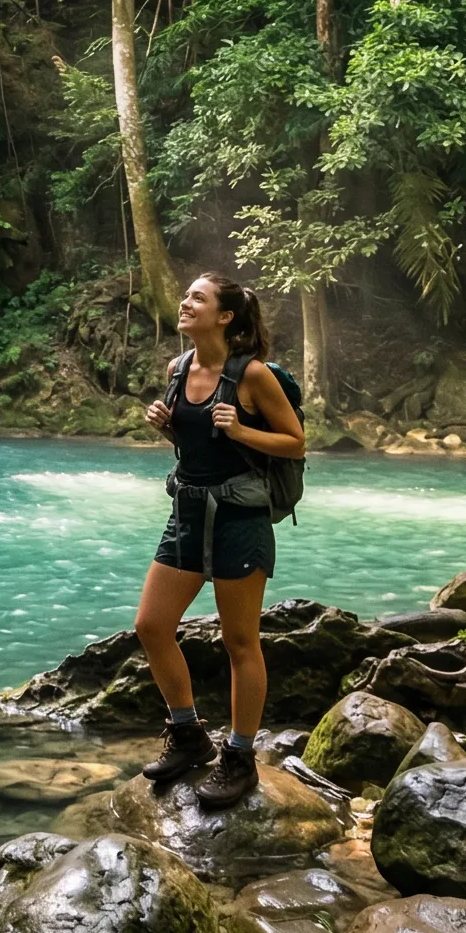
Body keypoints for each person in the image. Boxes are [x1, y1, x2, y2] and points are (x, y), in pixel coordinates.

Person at [132, 272, 308, 807]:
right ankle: (188, 734)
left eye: (197, 298)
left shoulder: (253, 375)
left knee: (239, 641)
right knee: (152, 625)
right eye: (186, 295)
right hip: (187, 514)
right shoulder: (177, 369)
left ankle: (240, 756)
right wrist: (166, 425)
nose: (185, 303)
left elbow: (295, 443)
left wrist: (241, 429)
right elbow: (197, 442)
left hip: (240, 520)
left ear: (225, 317)